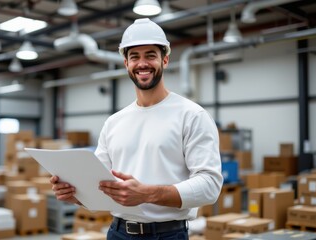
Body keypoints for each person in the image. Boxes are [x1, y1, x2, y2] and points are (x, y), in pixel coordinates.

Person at [50, 18, 223, 240]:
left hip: (168, 234)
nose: (142, 63)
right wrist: (74, 194)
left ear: (165, 60)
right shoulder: (114, 122)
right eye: (134, 57)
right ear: (126, 64)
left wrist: (147, 194)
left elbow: (210, 186)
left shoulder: (191, 115)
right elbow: (98, 186)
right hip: (118, 233)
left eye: (150, 55)